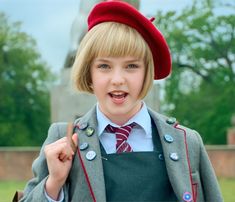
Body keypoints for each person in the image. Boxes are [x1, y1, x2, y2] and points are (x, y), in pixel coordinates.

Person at [20, 1, 223, 202]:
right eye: (105, 66)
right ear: (88, 73)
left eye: (131, 66)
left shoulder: (187, 142)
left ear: (147, 73)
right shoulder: (62, 139)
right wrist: (54, 183)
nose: (118, 79)